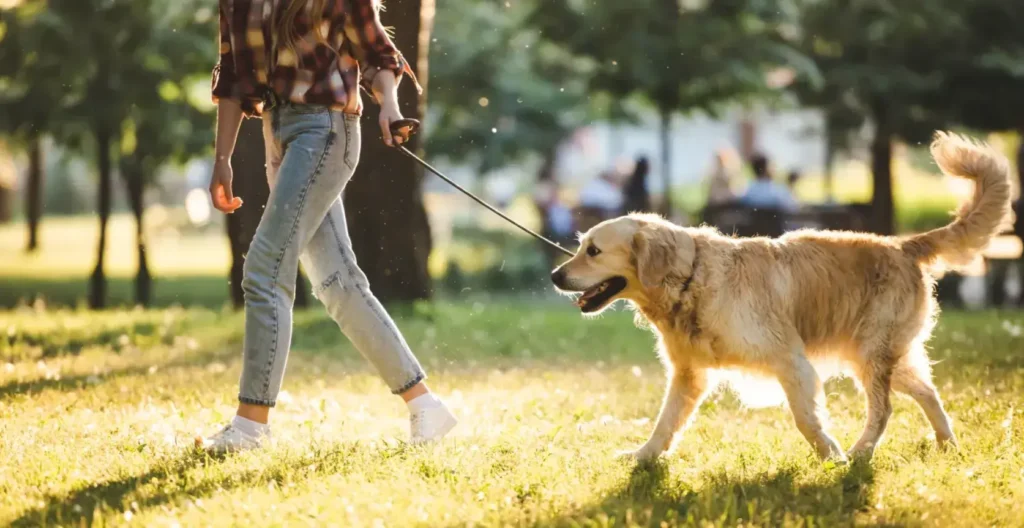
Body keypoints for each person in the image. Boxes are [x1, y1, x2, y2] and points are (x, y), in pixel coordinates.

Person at [197, 0, 456, 454]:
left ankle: (251, 426)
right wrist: (222, 160)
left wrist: (389, 107)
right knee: (339, 283)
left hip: (325, 132)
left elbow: (379, 55)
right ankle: (426, 407)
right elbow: (234, 75)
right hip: (278, 133)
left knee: (264, 267)